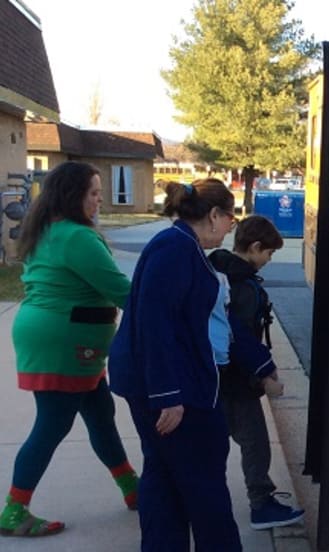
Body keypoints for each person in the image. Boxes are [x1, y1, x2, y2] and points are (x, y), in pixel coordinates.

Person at [1, 161, 138, 537]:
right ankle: (14, 510)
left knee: (100, 412)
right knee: (53, 423)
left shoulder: (46, 230)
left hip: (55, 333)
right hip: (65, 340)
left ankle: (132, 488)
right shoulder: (77, 237)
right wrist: (171, 311)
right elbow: (120, 289)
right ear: (72, 195)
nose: (99, 201)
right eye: (93, 193)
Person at [108, 179, 242, 551]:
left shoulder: (181, 245)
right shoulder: (176, 249)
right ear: (213, 215)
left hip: (167, 380)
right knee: (204, 480)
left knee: (165, 476)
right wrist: (167, 394)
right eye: (231, 217)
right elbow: (155, 321)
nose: (232, 226)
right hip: (172, 387)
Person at [208, 215, 305, 530]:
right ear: (254, 247)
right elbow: (240, 337)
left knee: (216, 442)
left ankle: (203, 496)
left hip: (219, 378)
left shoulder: (219, 271)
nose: (269, 260)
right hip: (238, 382)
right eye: (269, 254)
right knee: (256, 444)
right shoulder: (243, 287)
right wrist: (265, 372)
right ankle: (261, 505)